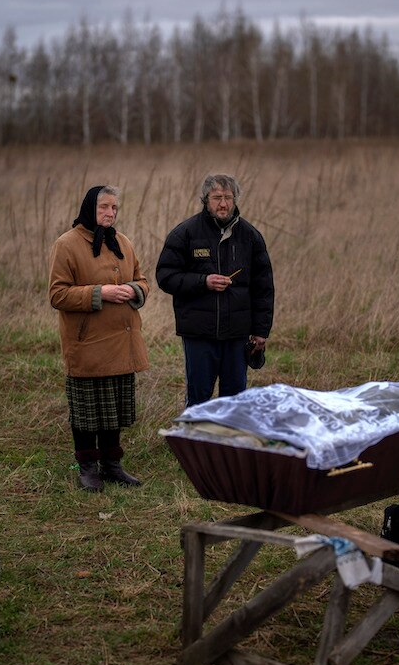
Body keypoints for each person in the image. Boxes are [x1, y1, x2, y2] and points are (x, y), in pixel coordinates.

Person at [49, 185, 149, 492]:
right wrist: (99, 292)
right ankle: (87, 468)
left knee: (113, 408)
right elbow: (57, 294)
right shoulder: (67, 244)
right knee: (87, 410)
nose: (109, 213)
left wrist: (135, 290)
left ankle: (112, 466)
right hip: (87, 344)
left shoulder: (123, 242)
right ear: (89, 208)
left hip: (121, 343)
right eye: (103, 207)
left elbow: (142, 280)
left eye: (114, 208)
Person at [156, 174, 274, 407]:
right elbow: (165, 276)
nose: (223, 203)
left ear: (235, 199)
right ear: (205, 200)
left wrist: (261, 331)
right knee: (199, 397)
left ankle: (227, 444)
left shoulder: (251, 237)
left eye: (228, 197)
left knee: (234, 399)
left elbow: (264, 288)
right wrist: (203, 281)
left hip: (237, 334)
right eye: (217, 197)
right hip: (199, 333)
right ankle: (195, 442)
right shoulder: (185, 233)